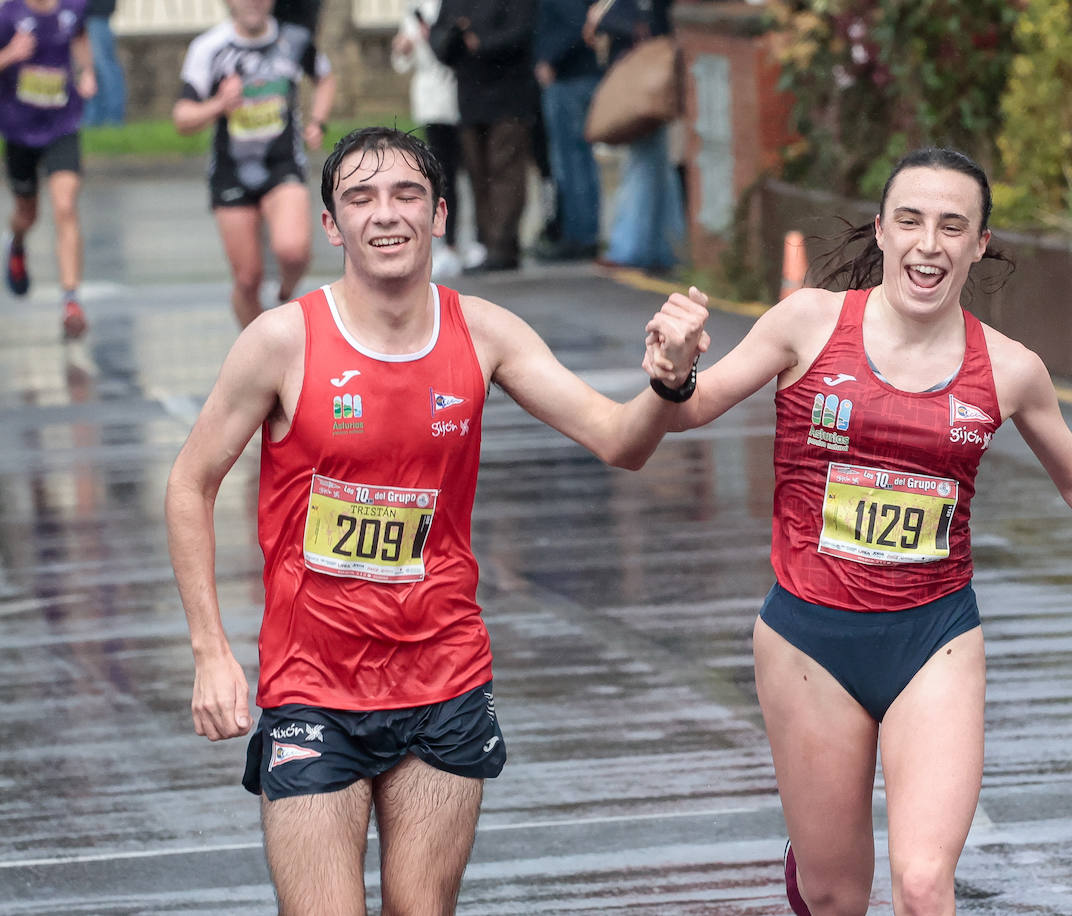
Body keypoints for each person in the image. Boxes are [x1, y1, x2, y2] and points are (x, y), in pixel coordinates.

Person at [647, 147, 1072, 916]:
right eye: (912, 221)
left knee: (923, 885)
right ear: (882, 231)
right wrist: (673, 367)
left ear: (979, 244)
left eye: (954, 226)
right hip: (809, 640)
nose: (930, 243)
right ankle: (813, 855)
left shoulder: (1011, 368)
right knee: (834, 894)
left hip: (936, 640)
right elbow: (689, 408)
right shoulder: (807, 322)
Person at [163, 126, 709, 915]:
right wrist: (210, 651)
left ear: (440, 214)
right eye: (361, 197)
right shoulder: (282, 341)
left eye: (406, 194)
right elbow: (189, 482)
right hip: (314, 688)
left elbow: (619, 440)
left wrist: (667, 382)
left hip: (444, 679)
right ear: (331, 225)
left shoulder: (483, 333)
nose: (386, 214)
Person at [173, 0, 336, 329]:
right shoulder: (209, 48)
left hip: (282, 165)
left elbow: (325, 78)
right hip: (231, 171)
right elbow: (182, 118)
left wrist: (317, 121)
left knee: (293, 252)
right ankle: (258, 352)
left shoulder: (294, 40)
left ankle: (285, 292)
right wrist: (219, 104)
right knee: (247, 279)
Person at [0, 0, 96, 339]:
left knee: (65, 205)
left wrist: (87, 71)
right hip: (19, 131)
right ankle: (17, 241)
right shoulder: (6, 14)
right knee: (27, 214)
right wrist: (11, 54)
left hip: (62, 126)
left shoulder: (73, 8)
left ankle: (71, 301)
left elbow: (81, 36)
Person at [428, 0, 540, 273]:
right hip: (470, 98)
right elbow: (439, 38)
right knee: (479, 175)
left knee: (505, 171)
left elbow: (522, 32)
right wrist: (456, 39)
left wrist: (480, 42)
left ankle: (501, 246)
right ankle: (488, 242)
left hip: (509, 97)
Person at [587, 0, 682, 272]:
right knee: (658, 168)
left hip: (644, 82)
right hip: (650, 80)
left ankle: (628, 248)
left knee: (641, 165)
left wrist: (601, 19)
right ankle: (668, 248)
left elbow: (632, 21)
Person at [391, 0, 467, 281]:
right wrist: (403, 49)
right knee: (441, 173)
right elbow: (403, 57)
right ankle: (449, 243)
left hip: (460, 92)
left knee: (472, 170)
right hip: (431, 100)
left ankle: (477, 240)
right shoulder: (415, 7)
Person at [533, 0, 601, 263]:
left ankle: (580, 237)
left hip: (569, 79)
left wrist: (548, 59)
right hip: (576, 76)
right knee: (577, 160)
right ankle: (582, 234)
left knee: (572, 161)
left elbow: (576, 25)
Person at [79, 0, 122, 126]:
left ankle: (111, 119)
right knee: (96, 70)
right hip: (93, 15)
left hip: (95, 14)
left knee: (103, 68)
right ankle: (95, 119)